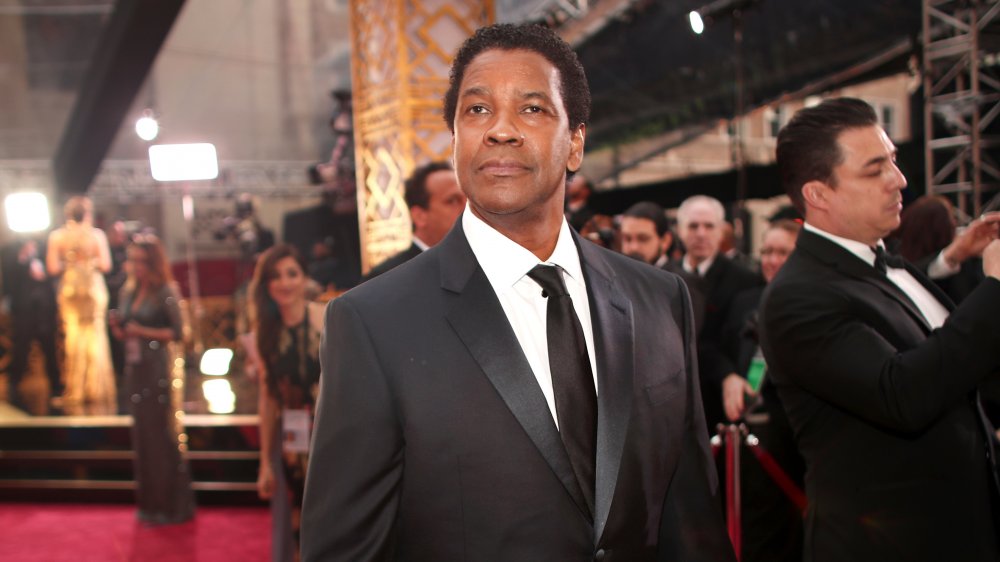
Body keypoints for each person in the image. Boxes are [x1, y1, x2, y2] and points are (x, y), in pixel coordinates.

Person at [301, 23, 734, 561]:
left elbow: (690, 520)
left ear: (575, 142)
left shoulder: (660, 299)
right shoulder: (373, 323)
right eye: (477, 110)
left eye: (532, 108)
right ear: (455, 141)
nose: (500, 130)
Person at [759, 97, 1000, 561]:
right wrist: (994, 288)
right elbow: (902, 394)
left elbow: (950, 362)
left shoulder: (888, 265)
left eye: (892, 159)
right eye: (875, 170)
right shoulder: (797, 297)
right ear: (818, 194)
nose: (899, 179)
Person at [720, 219, 804, 562]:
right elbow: (714, 348)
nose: (771, 260)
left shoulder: (814, 303)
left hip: (795, 446)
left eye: (782, 252)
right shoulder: (745, 301)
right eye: (766, 251)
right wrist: (728, 376)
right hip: (750, 448)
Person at [110, 234, 194, 525]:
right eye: (132, 260)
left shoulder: (166, 290)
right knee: (143, 439)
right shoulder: (128, 291)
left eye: (142, 261)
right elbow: (127, 332)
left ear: (153, 262)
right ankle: (150, 504)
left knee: (163, 438)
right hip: (136, 370)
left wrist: (143, 332)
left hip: (159, 370)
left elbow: (180, 333)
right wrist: (120, 330)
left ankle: (172, 506)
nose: (136, 266)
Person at [248, 244, 324, 561]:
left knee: (330, 519)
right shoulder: (264, 333)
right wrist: (265, 462)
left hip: (331, 436)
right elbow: (268, 401)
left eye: (292, 274)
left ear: (305, 278)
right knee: (298, 522)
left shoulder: (324, 318)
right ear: (266, 285)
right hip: (292, 443)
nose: (285, 283)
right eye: (276, 276)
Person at [665, 195, 762, 432]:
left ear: (722, 231)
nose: (701, 234)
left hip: (720, 404)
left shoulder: (745, 280)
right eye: (693, 226)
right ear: (680, 231)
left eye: (709, 226)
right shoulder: (662, 277)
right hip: (671, 402)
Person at [46, 196, 115, 412]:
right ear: (87, 214)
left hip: (71, 289)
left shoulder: (58, 236)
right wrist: (89, 263)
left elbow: (52, 268)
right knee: (95, 335)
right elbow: (106, 265)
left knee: (74, 338)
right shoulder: (96, 235)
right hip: (92, 289)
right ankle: (96, 389)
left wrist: (71, 262)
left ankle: (76, 389)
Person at [364, 161, 466, 279]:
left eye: (469, 200)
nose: (467, 208)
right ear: (419, 216)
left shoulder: (477, 264)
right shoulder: (386, 277)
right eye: (453, 201)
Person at [1, 238, 61, 413]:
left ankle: (56, 387)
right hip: (23, 309)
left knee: (50, 348)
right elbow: (9, 280)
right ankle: (14, 386)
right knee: (20, 348)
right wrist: (23, 257)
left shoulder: (46, 246)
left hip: (45, 309)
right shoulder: (10, 251)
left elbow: (54, 273)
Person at [619, 201, 672, 267]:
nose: (634, 247)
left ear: (665, 240)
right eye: (627, 239)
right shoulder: (615, 271)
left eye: (643, 239)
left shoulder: (677, 274)